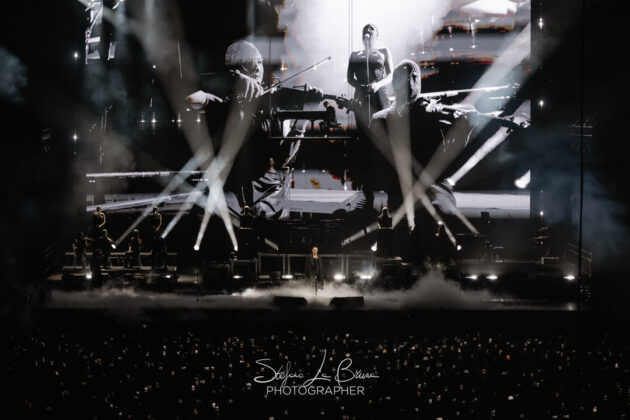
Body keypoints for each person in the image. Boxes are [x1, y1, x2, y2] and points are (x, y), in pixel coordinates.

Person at [347, 23, 394, 126]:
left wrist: (377, 85)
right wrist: (361, 87)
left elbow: (390, 75)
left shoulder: (384, 51)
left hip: (380, 94)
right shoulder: (354, 55)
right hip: (361, 95)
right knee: (363, 129)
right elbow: (350, 78)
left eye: (371, 28)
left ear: (377, 35)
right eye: (365, 28)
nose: (368, 29)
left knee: (384, 126)